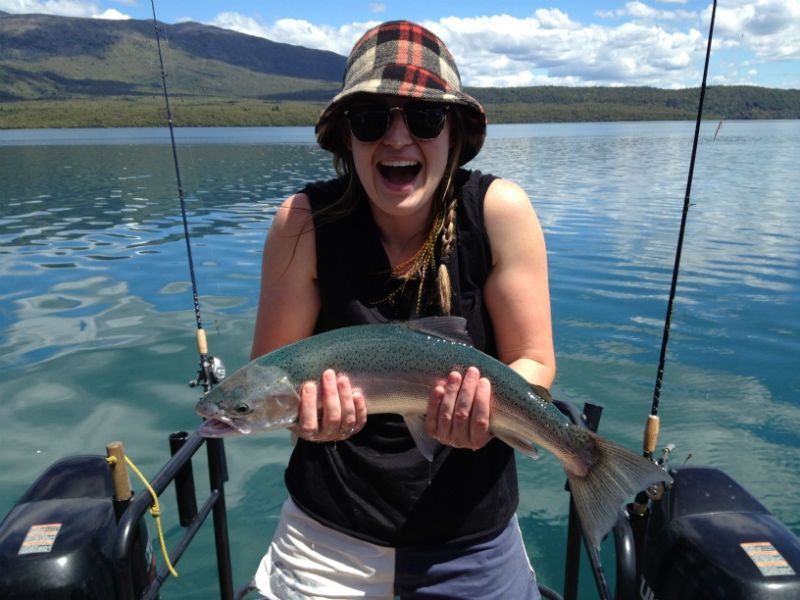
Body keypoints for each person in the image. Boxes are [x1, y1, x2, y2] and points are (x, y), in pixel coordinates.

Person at [250, 20, 555, 599]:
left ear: (454, 132)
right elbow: (270, 375)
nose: (396, 139)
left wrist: (483, 408)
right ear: (346, 137)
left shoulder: (499, 211)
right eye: (370, 119)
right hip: (327, 540)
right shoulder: (302, 223)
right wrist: (305, 420)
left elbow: (534, 359)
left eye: (424, 118)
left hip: (473, 537)